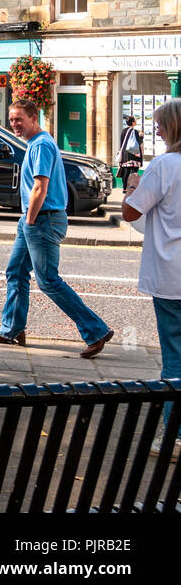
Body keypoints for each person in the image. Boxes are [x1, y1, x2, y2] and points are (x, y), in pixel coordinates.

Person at [0, 99, 114, 357]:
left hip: (42, 219)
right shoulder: (35, 143)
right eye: (11, 120)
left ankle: (95, 330)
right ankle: (11, 329)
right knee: (16, 272)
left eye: (19, 119)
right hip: (33, 219)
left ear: (34, 118)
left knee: (49, 281)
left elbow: (40, 187)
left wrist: (30, 220)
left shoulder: (42, 145)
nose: (14, 125)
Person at [122, 98, 181, 461]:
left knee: (175, 357)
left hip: (172, 274)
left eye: (161, 124)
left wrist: (132, 186)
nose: (155, 129)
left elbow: (131, 211)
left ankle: (174, 435)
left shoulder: (164, 166)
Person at [117, 115, 144, 188]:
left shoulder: (123, 131)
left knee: (125, 171)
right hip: (133, 155)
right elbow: (139, 142)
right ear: (133, 123)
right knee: (133, 172)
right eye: (135, 120)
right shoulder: (135, 132)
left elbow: (122, 143)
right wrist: (141, 136)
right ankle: (131, 187)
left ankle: (124, 188)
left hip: (125, 155)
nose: (136, 121)